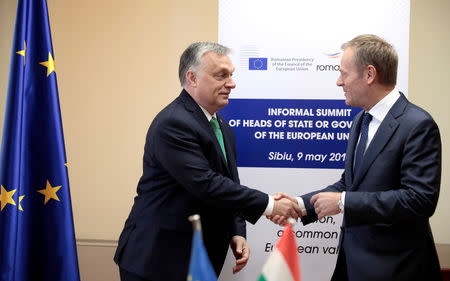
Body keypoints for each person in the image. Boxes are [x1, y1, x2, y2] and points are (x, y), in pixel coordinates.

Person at [113, 42, 301, 281]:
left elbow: (229, 183)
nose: (231, 83)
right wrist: (270, 205)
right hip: (159, 260)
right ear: (192, 78)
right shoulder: (174, 123)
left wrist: (236, 231)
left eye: (231, 75)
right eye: (221, 75)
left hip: (196, 259)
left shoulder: (221, 125)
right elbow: (206, 184)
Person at [271, 34, 442, 281]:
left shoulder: (417, 124)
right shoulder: (360, 120)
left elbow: (420, 199)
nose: (339, 82)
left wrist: (343, 202)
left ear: (370, 74)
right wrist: (300, 205)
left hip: (396, 269)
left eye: (344, 73)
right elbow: (350, 184)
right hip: (352, 264)